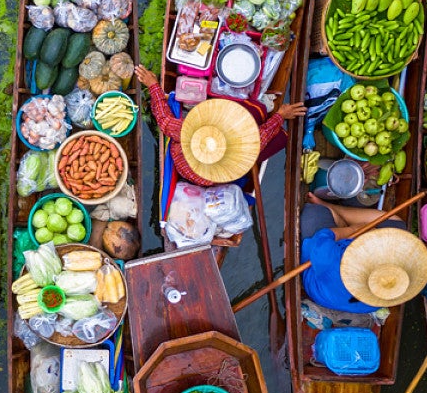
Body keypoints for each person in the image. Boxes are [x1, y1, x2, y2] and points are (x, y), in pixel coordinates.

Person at [137, 64, 306, 187]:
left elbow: (164, 119)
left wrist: (153, 86)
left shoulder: (186, 133)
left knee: (262, 118)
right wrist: (280, 116)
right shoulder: (235, 154)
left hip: (212, 167)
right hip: (229, 165)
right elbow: (259, 138)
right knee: (270, 125)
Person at [300, 193, 408, 314]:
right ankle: (332, 209)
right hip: (341, 270)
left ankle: (334, 213)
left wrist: (354, 230)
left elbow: (323, 237)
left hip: (317, 271)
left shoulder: (332, 260)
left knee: (313, 213)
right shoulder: (388, 288)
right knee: (397, 226)